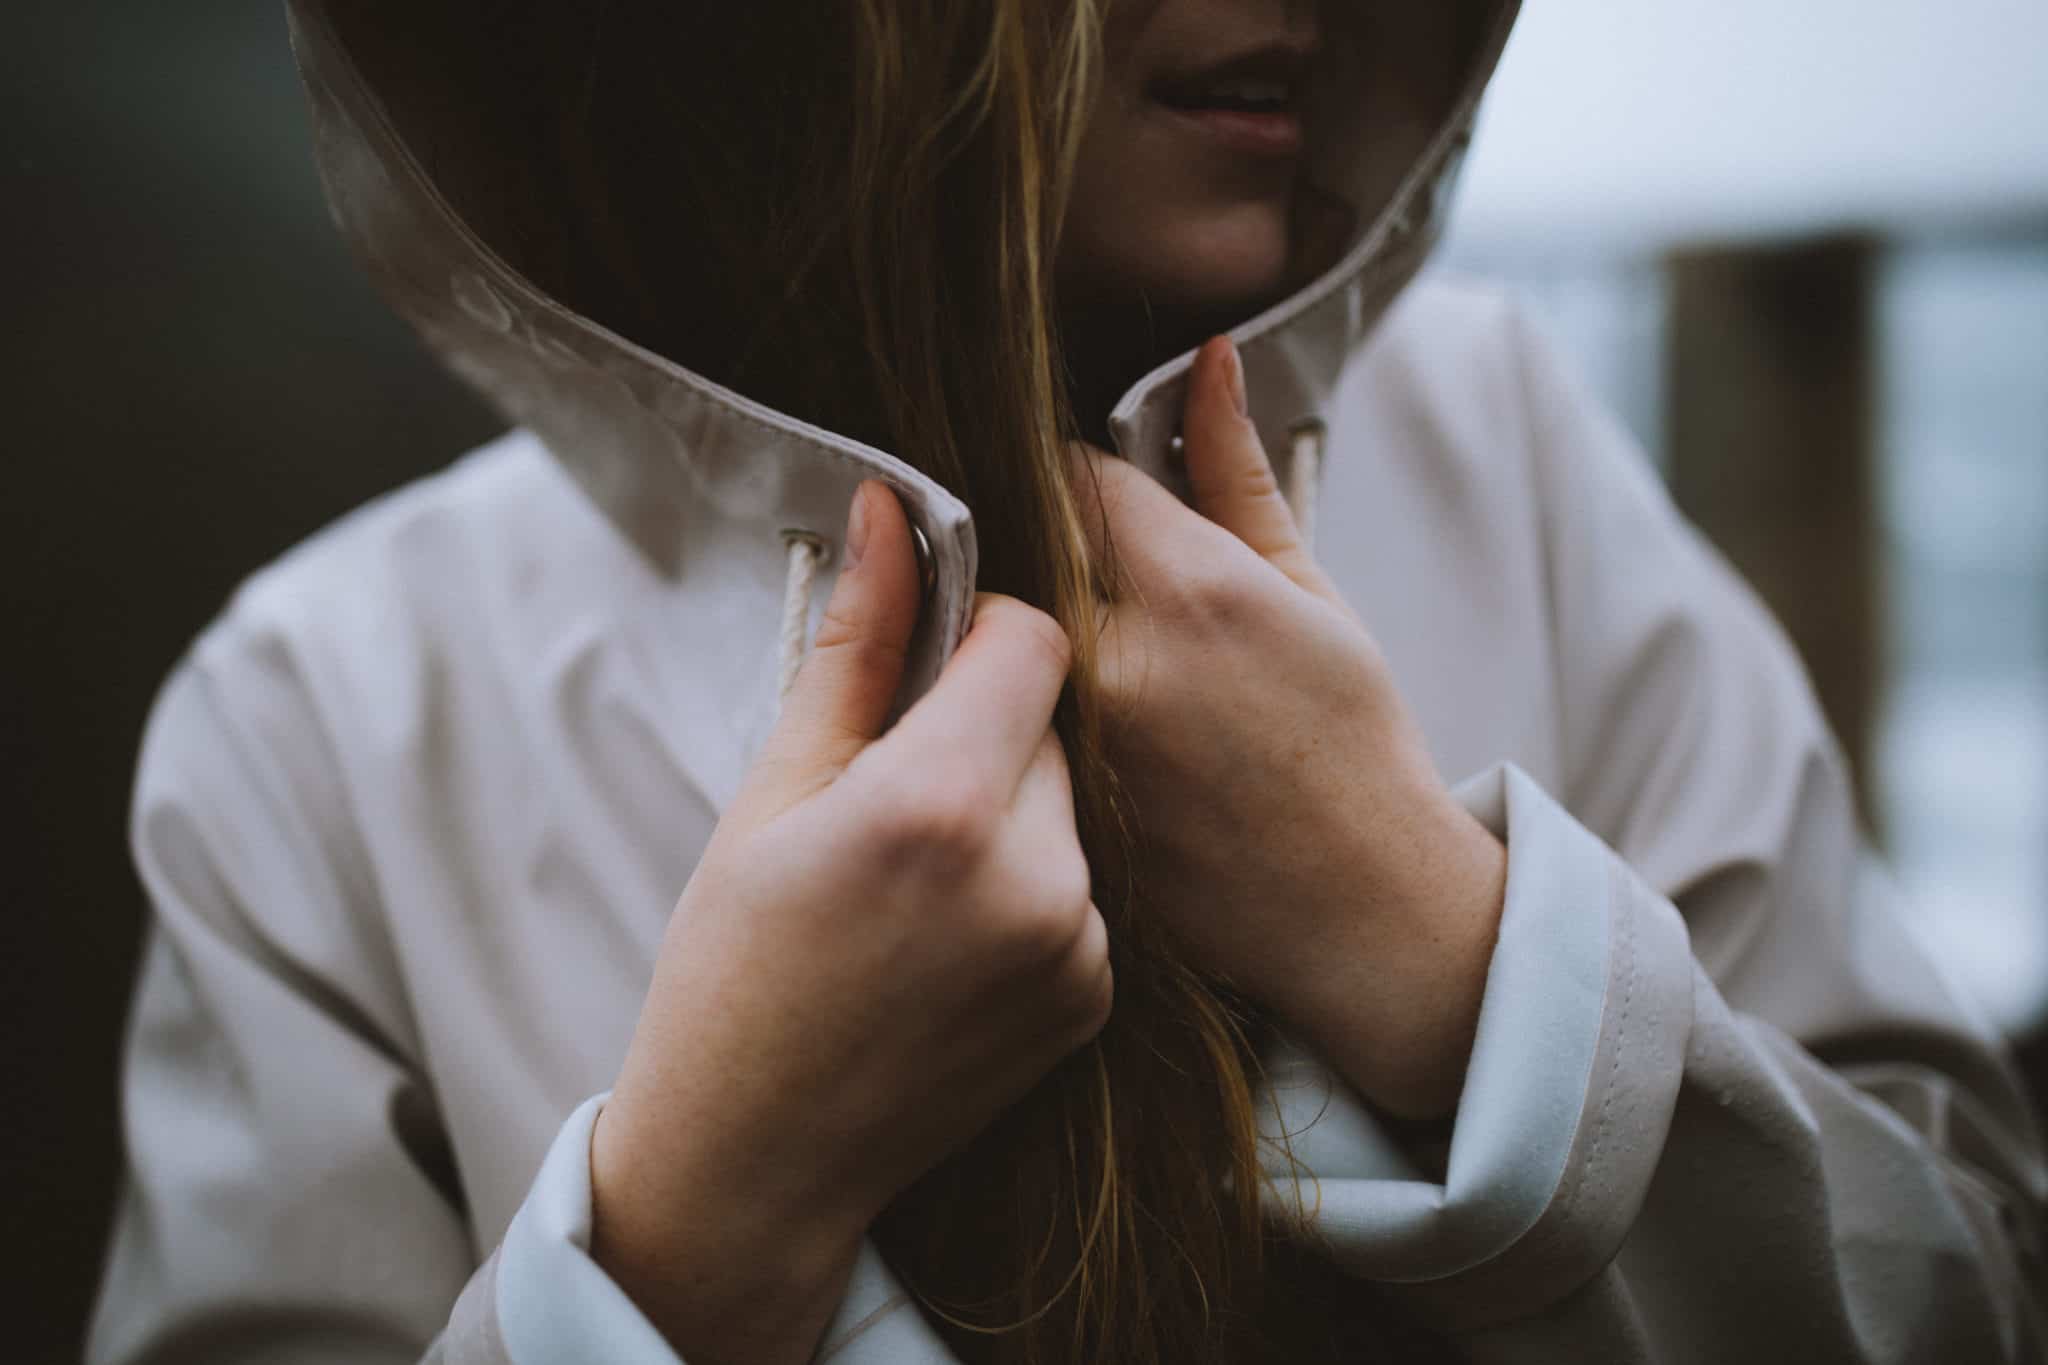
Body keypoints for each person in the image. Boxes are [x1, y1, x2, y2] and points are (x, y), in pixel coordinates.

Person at [88, 0, 2046, 1361]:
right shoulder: (321, 716)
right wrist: (694, 1223)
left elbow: (1967, 1293)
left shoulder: (1508, 445)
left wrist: (1440, 943)